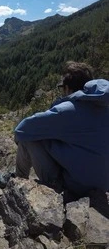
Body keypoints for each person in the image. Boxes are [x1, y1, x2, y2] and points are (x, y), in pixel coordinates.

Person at [14, 61, 109, 200]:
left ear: (67, 88)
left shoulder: (67, 110)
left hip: (76, 189)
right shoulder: (103, 107)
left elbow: (21, 130)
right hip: (102, 186)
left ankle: (17, 183)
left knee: (28, 139)